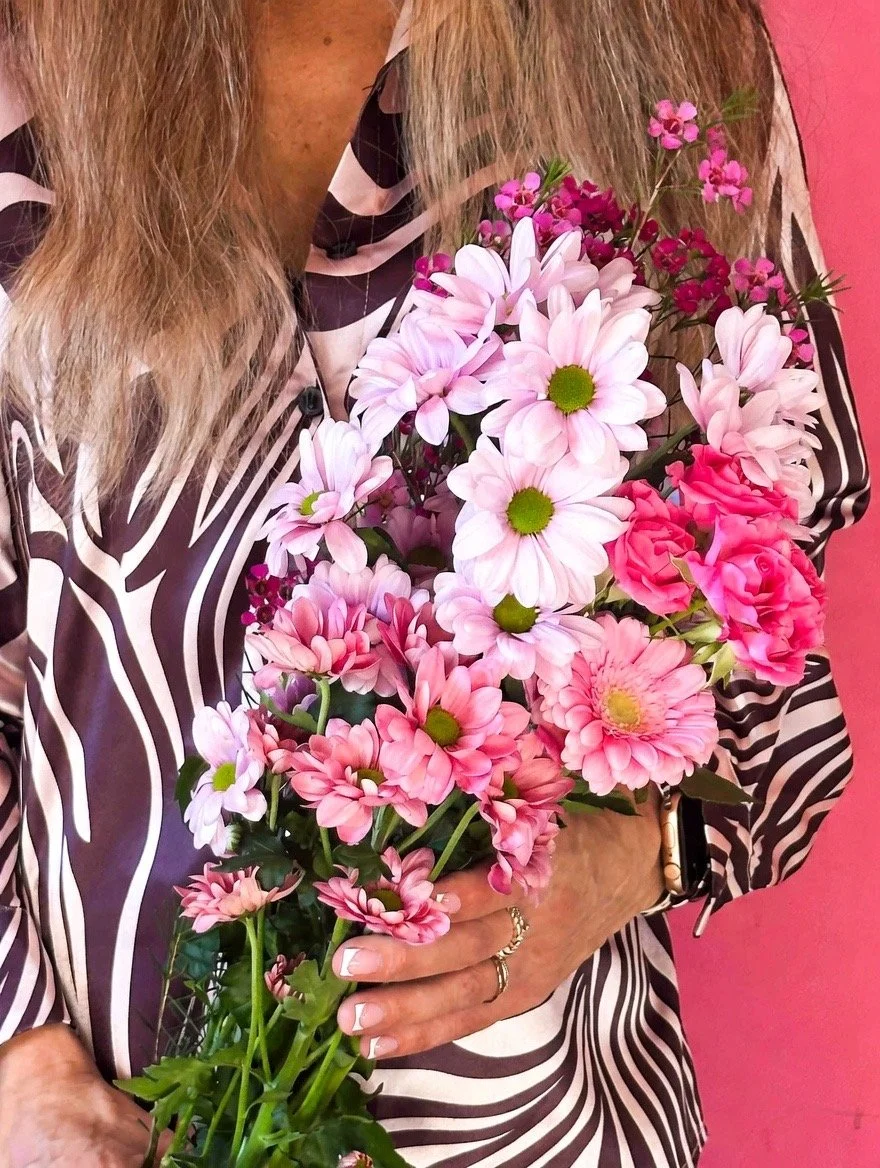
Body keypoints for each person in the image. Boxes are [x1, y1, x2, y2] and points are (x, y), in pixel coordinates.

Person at [0, 1, 868, 1165]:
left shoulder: (662, 47)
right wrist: (19, 1065)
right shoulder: (27, 64)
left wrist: (641, 850)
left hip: (537, 1125)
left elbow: (767, 583)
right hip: (106, 1116)